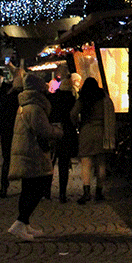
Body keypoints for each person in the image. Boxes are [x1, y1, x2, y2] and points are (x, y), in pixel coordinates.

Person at [7, 72, 61, 241]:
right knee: (38, 187)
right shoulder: (35, 108)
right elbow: (44, 130)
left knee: (28, 188)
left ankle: (25, 223)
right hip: (33, 153)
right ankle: (20, 223)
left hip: (26, 151)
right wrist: (58, 132)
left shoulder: (25, 105)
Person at [72, 76, 116, 204]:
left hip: (86, 131)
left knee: (86, 163)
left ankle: (86, 193)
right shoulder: (104, 99)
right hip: (102, 132)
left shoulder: (83, 99)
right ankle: (99, 192)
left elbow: (73, 114)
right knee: (101, 163)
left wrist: (77, 124)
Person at [48, 72, 78, 203]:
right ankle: (62, 193)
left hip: (53, 131)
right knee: (64, 164)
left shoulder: (53, 97)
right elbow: (74, 116)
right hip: (67, 133)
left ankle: (46, 191)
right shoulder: (72, 99)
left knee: (50, 163)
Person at [0, 70, 21, 198]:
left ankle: (3, 187)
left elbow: (0, 116)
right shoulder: (22, 99)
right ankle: (25, 188)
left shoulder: (6, 98)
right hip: (19, 133)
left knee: (7, 160)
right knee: (23, 160)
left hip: (6, 133)